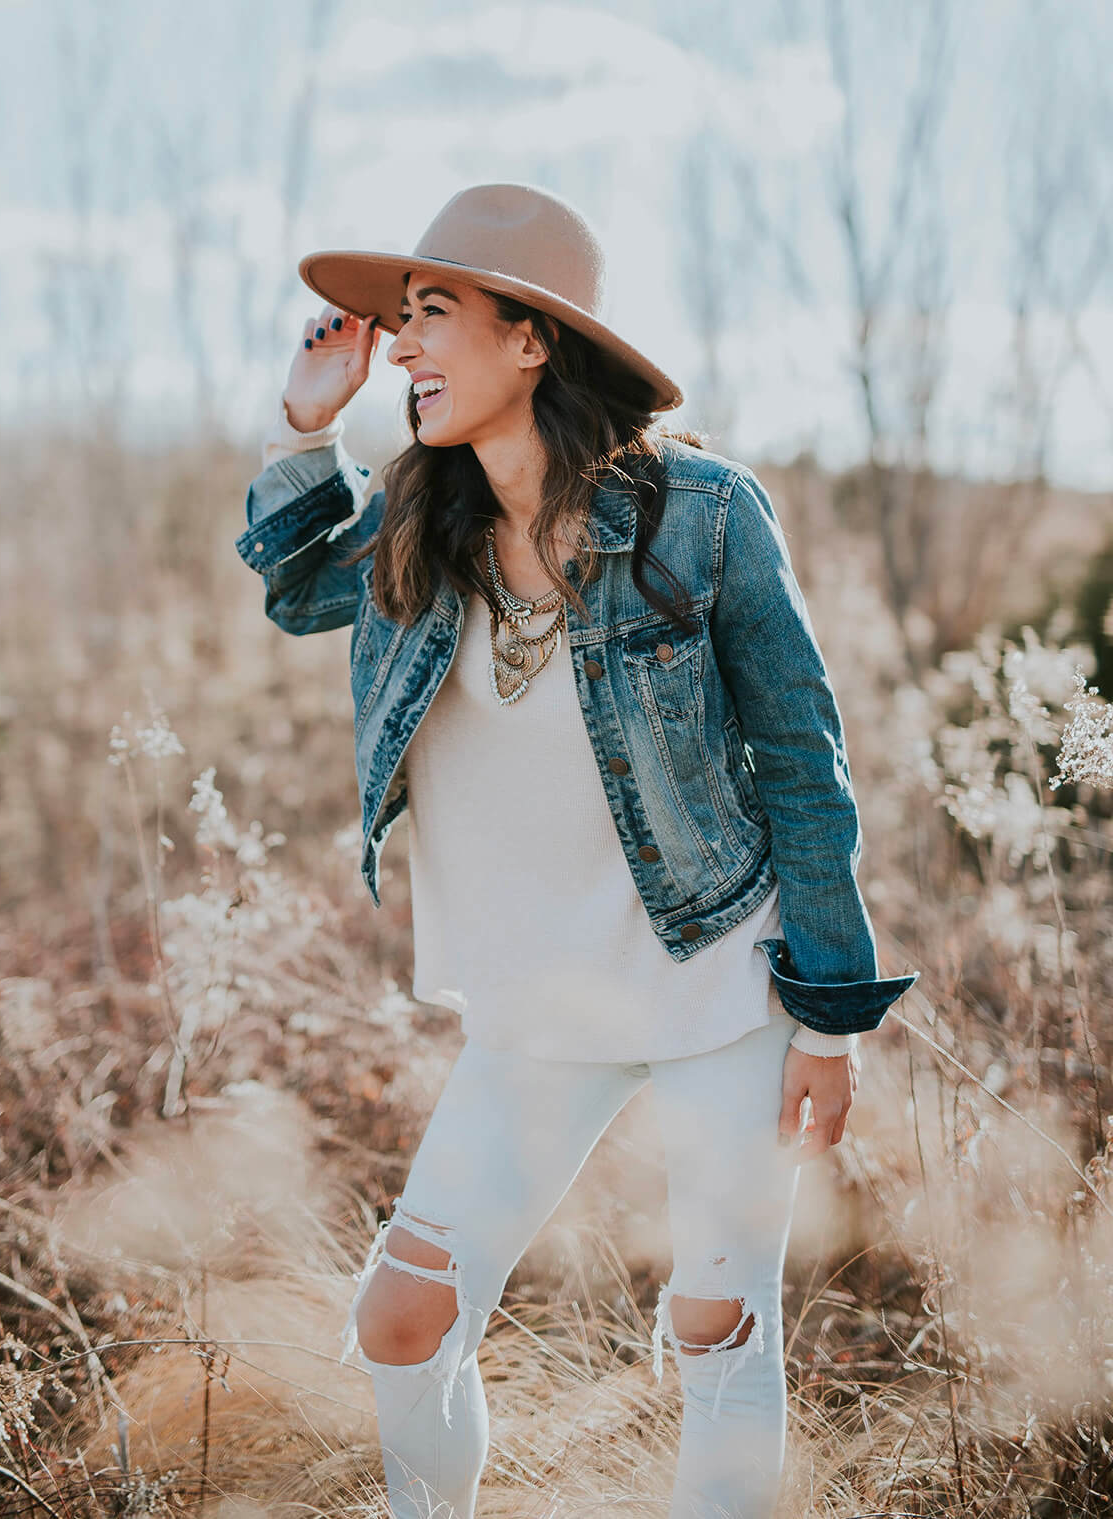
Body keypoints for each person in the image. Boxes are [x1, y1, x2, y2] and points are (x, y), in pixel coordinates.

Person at [235, 183, 919, 1519]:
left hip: (720, 978)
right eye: (402, 323)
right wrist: (306, 425)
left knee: (719, 1323)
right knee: (403, 1318)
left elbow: (801, 754)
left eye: (432, 317)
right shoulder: (418, 525)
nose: (405, 350)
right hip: (535, 1007)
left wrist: (828, 1018)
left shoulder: (703, 515)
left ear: (533, 339)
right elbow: (298, 586)